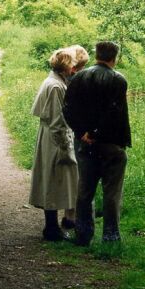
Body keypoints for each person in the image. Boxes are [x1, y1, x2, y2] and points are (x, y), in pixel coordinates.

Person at [63, 40, 131, 245]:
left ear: (97, 55)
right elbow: (113, 112)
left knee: (85, 190)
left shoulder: (78, 77)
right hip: (111, 143)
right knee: (112, 192)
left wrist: (82, 132)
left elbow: (67, 108)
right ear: (114, 58)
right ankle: (111, 237)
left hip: (85, 143)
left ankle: (83, 235)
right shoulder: (119, 80)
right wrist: (94, 132)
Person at [29, 48, 78, 241]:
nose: (74, 68)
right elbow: (58, 121)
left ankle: (52, 227)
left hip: (49, 135)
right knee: (54, 179)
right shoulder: (56, 86)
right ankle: (51, 228)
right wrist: (66, 148)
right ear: (66, 66)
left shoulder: (53, 82)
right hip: (54, 138)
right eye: (72, 64)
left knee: (52, 179)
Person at [60, 44, 90, 230]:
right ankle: (70, 216)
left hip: (73, 130)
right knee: (74, 175)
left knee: (75, 175)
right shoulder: (69, 82)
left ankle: (71, 215)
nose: (81, 70)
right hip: (72, 131)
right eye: (79, 66)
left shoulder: (71, 79)